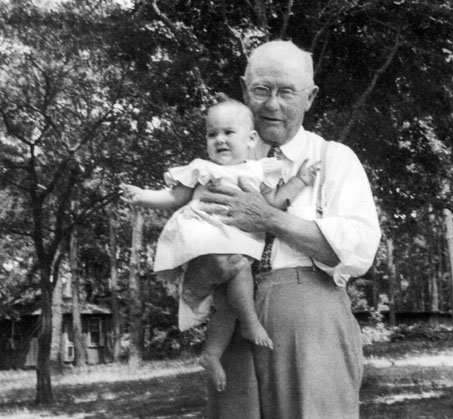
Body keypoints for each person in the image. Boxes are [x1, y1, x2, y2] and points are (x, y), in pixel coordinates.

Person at [200, 40, 381, 419]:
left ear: (310, 96)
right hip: (234, 317)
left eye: (287, 92)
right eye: (261, 90)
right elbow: (195, 243)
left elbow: (357, 250)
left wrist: (269, 218)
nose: (272, 104)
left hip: (311, 320)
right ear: (245, 89)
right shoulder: (224, 161)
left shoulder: (333, 159)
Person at [120, 99, 320, 392]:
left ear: (251, 139)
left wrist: (301, 180)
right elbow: (174, 197)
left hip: (235, 243)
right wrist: (142, 196)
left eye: (229, 132)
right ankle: (250, 321)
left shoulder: (258, 171)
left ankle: (211, 354)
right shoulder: (201, 168)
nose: (220, 140)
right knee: (237, 268)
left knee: (228, 301)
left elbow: (274, 203)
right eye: (212, 134)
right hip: (203, 236)